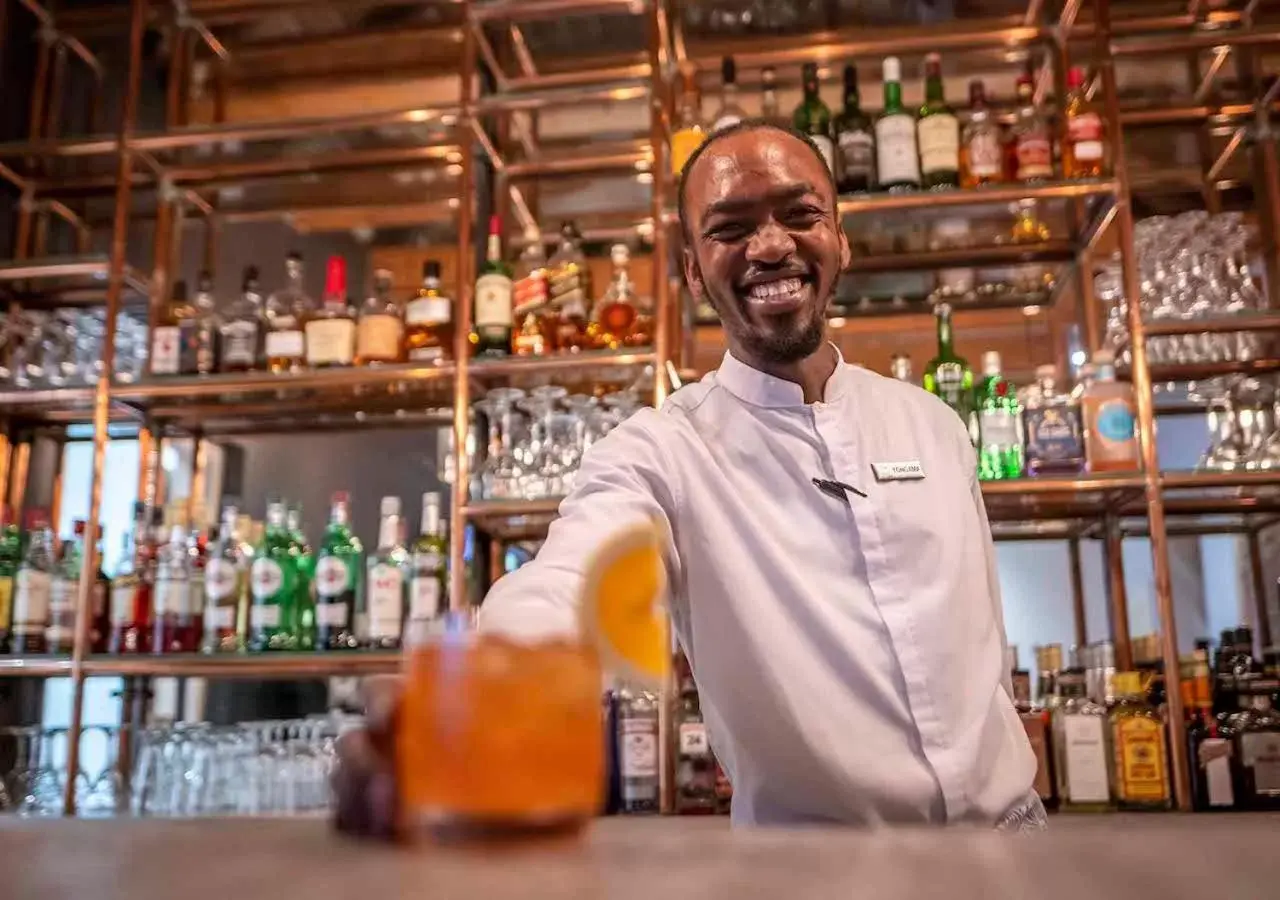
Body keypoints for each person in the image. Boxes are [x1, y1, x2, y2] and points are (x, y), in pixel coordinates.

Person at [339, 120, 1042, 833]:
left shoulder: (937, 427)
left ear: (840, 238)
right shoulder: (663, 452)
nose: (771, 246)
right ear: (691, 269)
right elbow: (570, 582)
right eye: (730, 228)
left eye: (801, 216)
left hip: (1019, 850)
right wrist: (486, 693)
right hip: (817, 878)